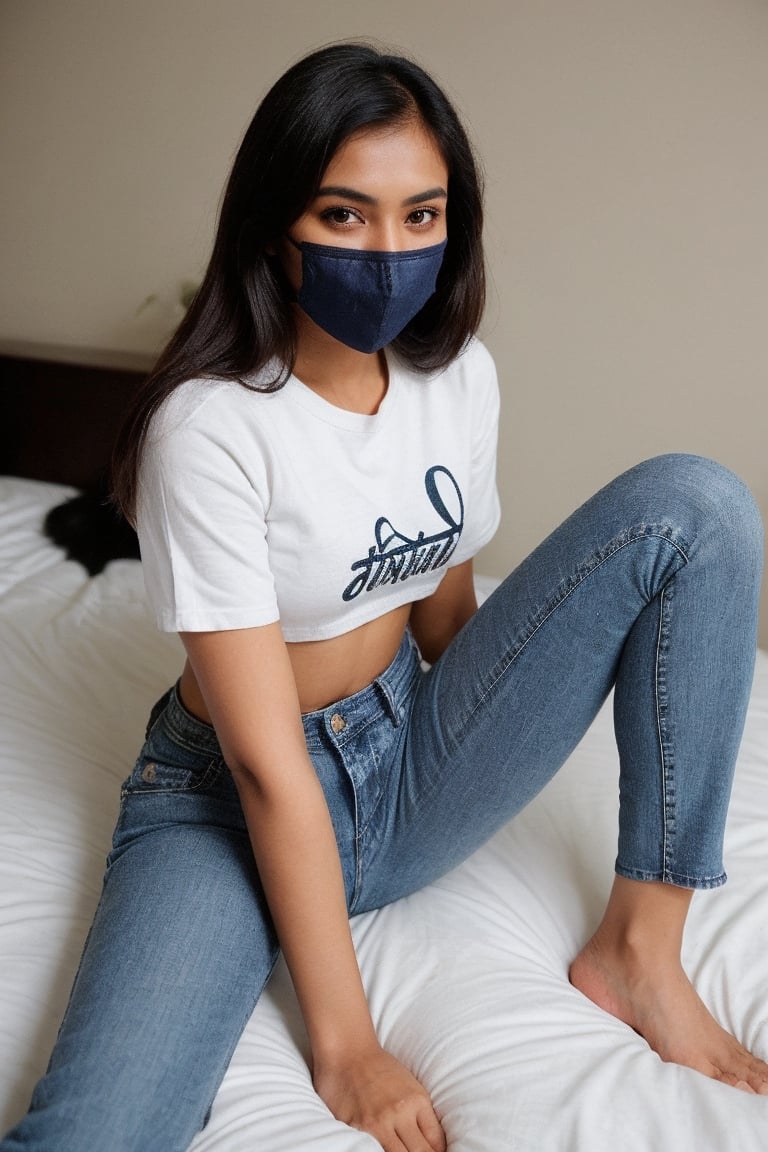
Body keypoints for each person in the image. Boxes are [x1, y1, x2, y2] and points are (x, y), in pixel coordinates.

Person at [3, 40, 767, 1152]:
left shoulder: (456, 376)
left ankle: (639, 953)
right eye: (346, 214)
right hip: (227, 801)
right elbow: (268, 768)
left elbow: (446, 605)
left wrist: (502, 712)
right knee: (94, 1134)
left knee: (696, 507)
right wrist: (348, 1046)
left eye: (422, 214)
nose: (391, 249)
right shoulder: (210, 427)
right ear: (276, 225)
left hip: (406, 750)